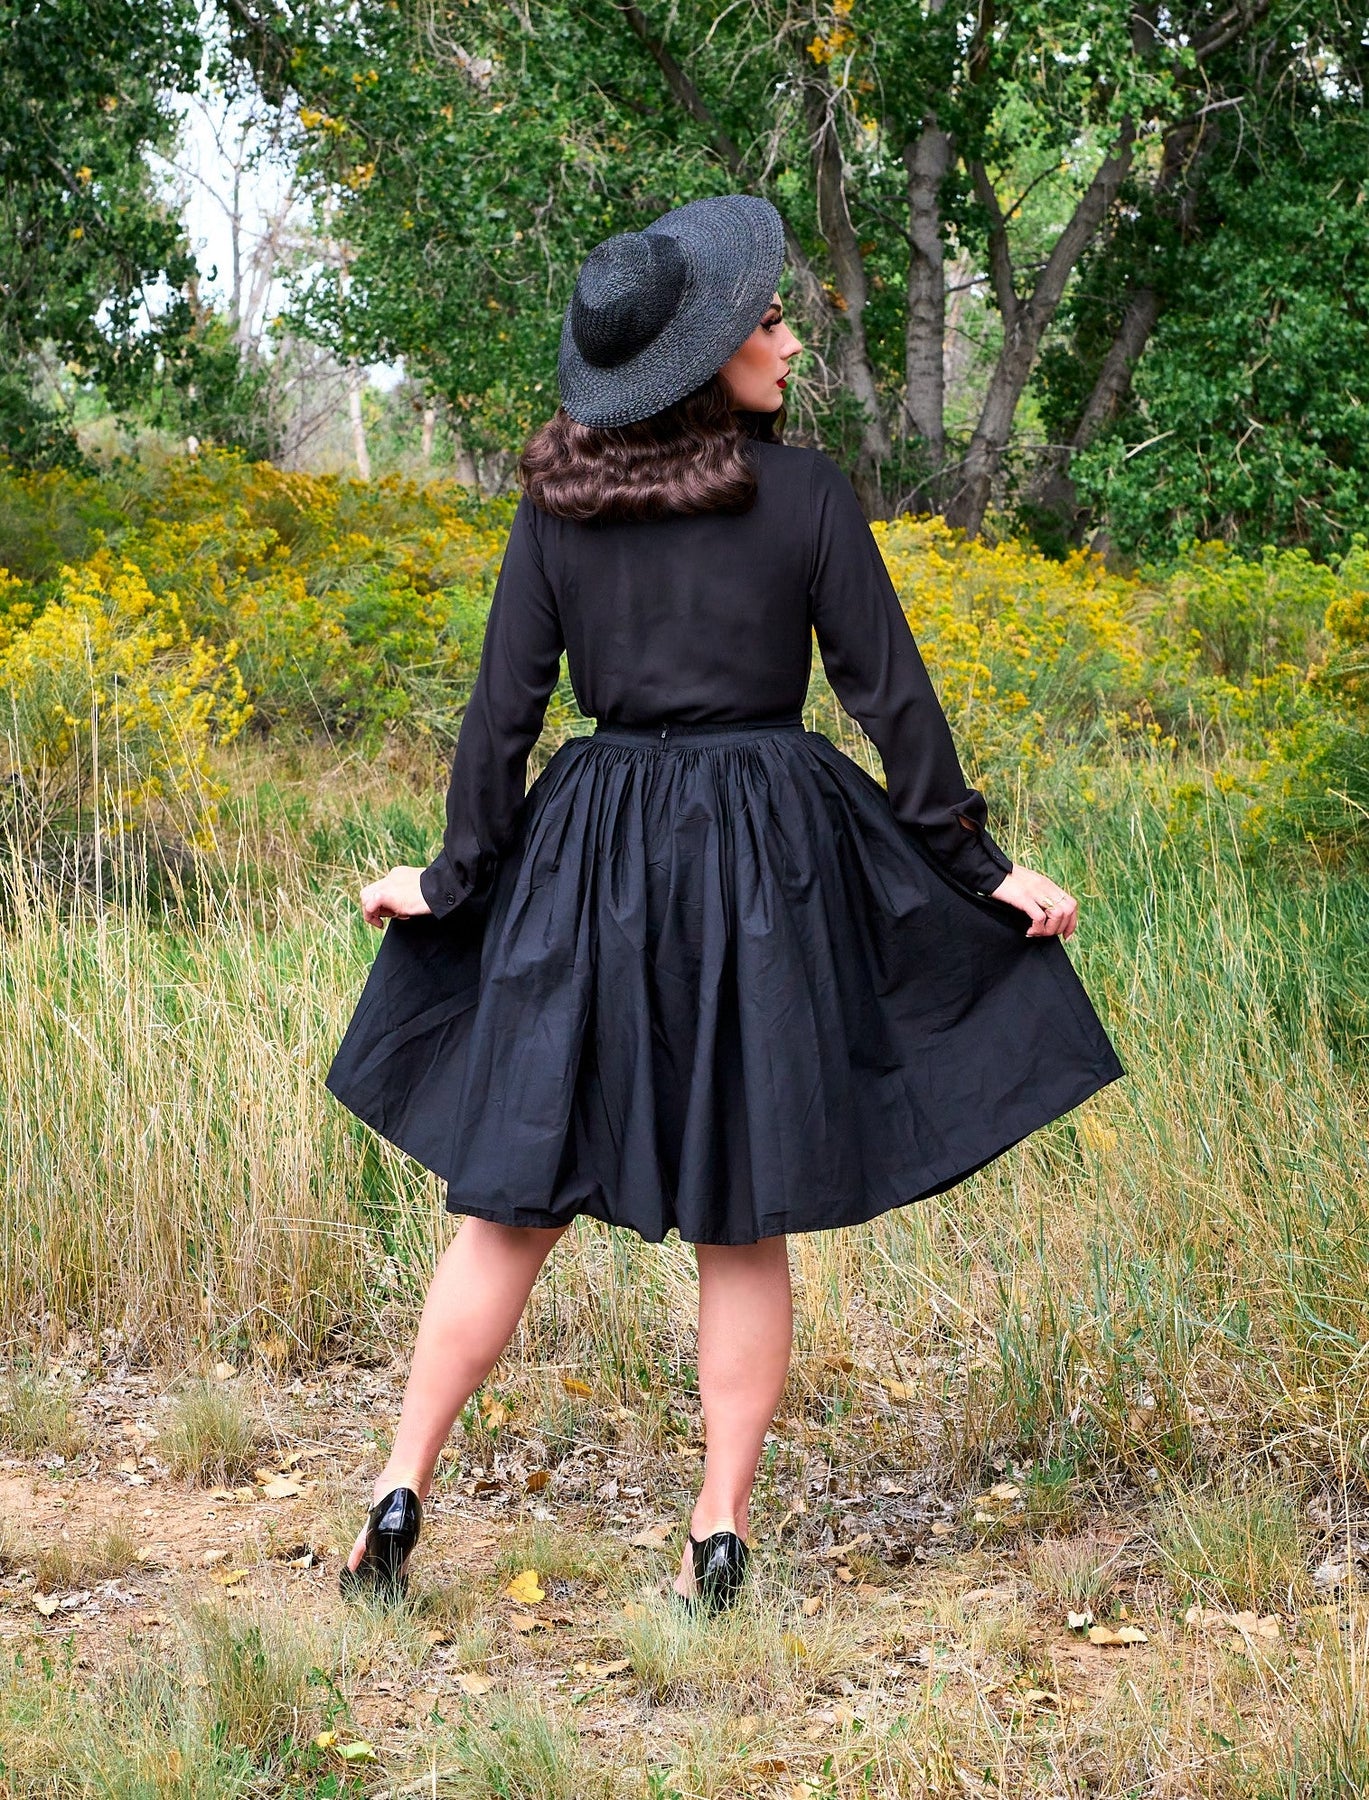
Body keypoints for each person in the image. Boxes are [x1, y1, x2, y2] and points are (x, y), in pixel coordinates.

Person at [324, 193, 1124, 1615]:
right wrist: (977, 868)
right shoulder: (803, 495)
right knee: (741, 1218)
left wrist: (445, 884)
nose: (789, 340)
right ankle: (717, 1533)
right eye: (766, 322)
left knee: (508, 1208)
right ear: (705, 359)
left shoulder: (558, 506)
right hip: (764, 864)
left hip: (591, 857)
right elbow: (891, 701)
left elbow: (500, 721)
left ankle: (400, 1484)